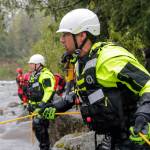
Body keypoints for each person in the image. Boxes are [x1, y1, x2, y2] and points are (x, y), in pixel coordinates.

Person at [42, 9, 150, 150]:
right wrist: (57, 106)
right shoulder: (81, 63)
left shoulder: (110, 57)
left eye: (65, 35)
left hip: (138, 136)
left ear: (82, 36)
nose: (61, 40)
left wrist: (144, 115)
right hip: (115, 136)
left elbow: (147, 84)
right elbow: (84, 93)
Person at [27, 54, 55, 150]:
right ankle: (43, 146)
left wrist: (43, 103)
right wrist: (29, 104)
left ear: (38, 64)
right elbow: (32, 92)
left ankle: (45, 147)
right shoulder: (34, 76)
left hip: (44, 107)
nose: (30, 65)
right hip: (36, 108)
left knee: (39, 125)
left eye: (32, 64)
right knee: (36, 127)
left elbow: (49, 90)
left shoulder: (45, 75)